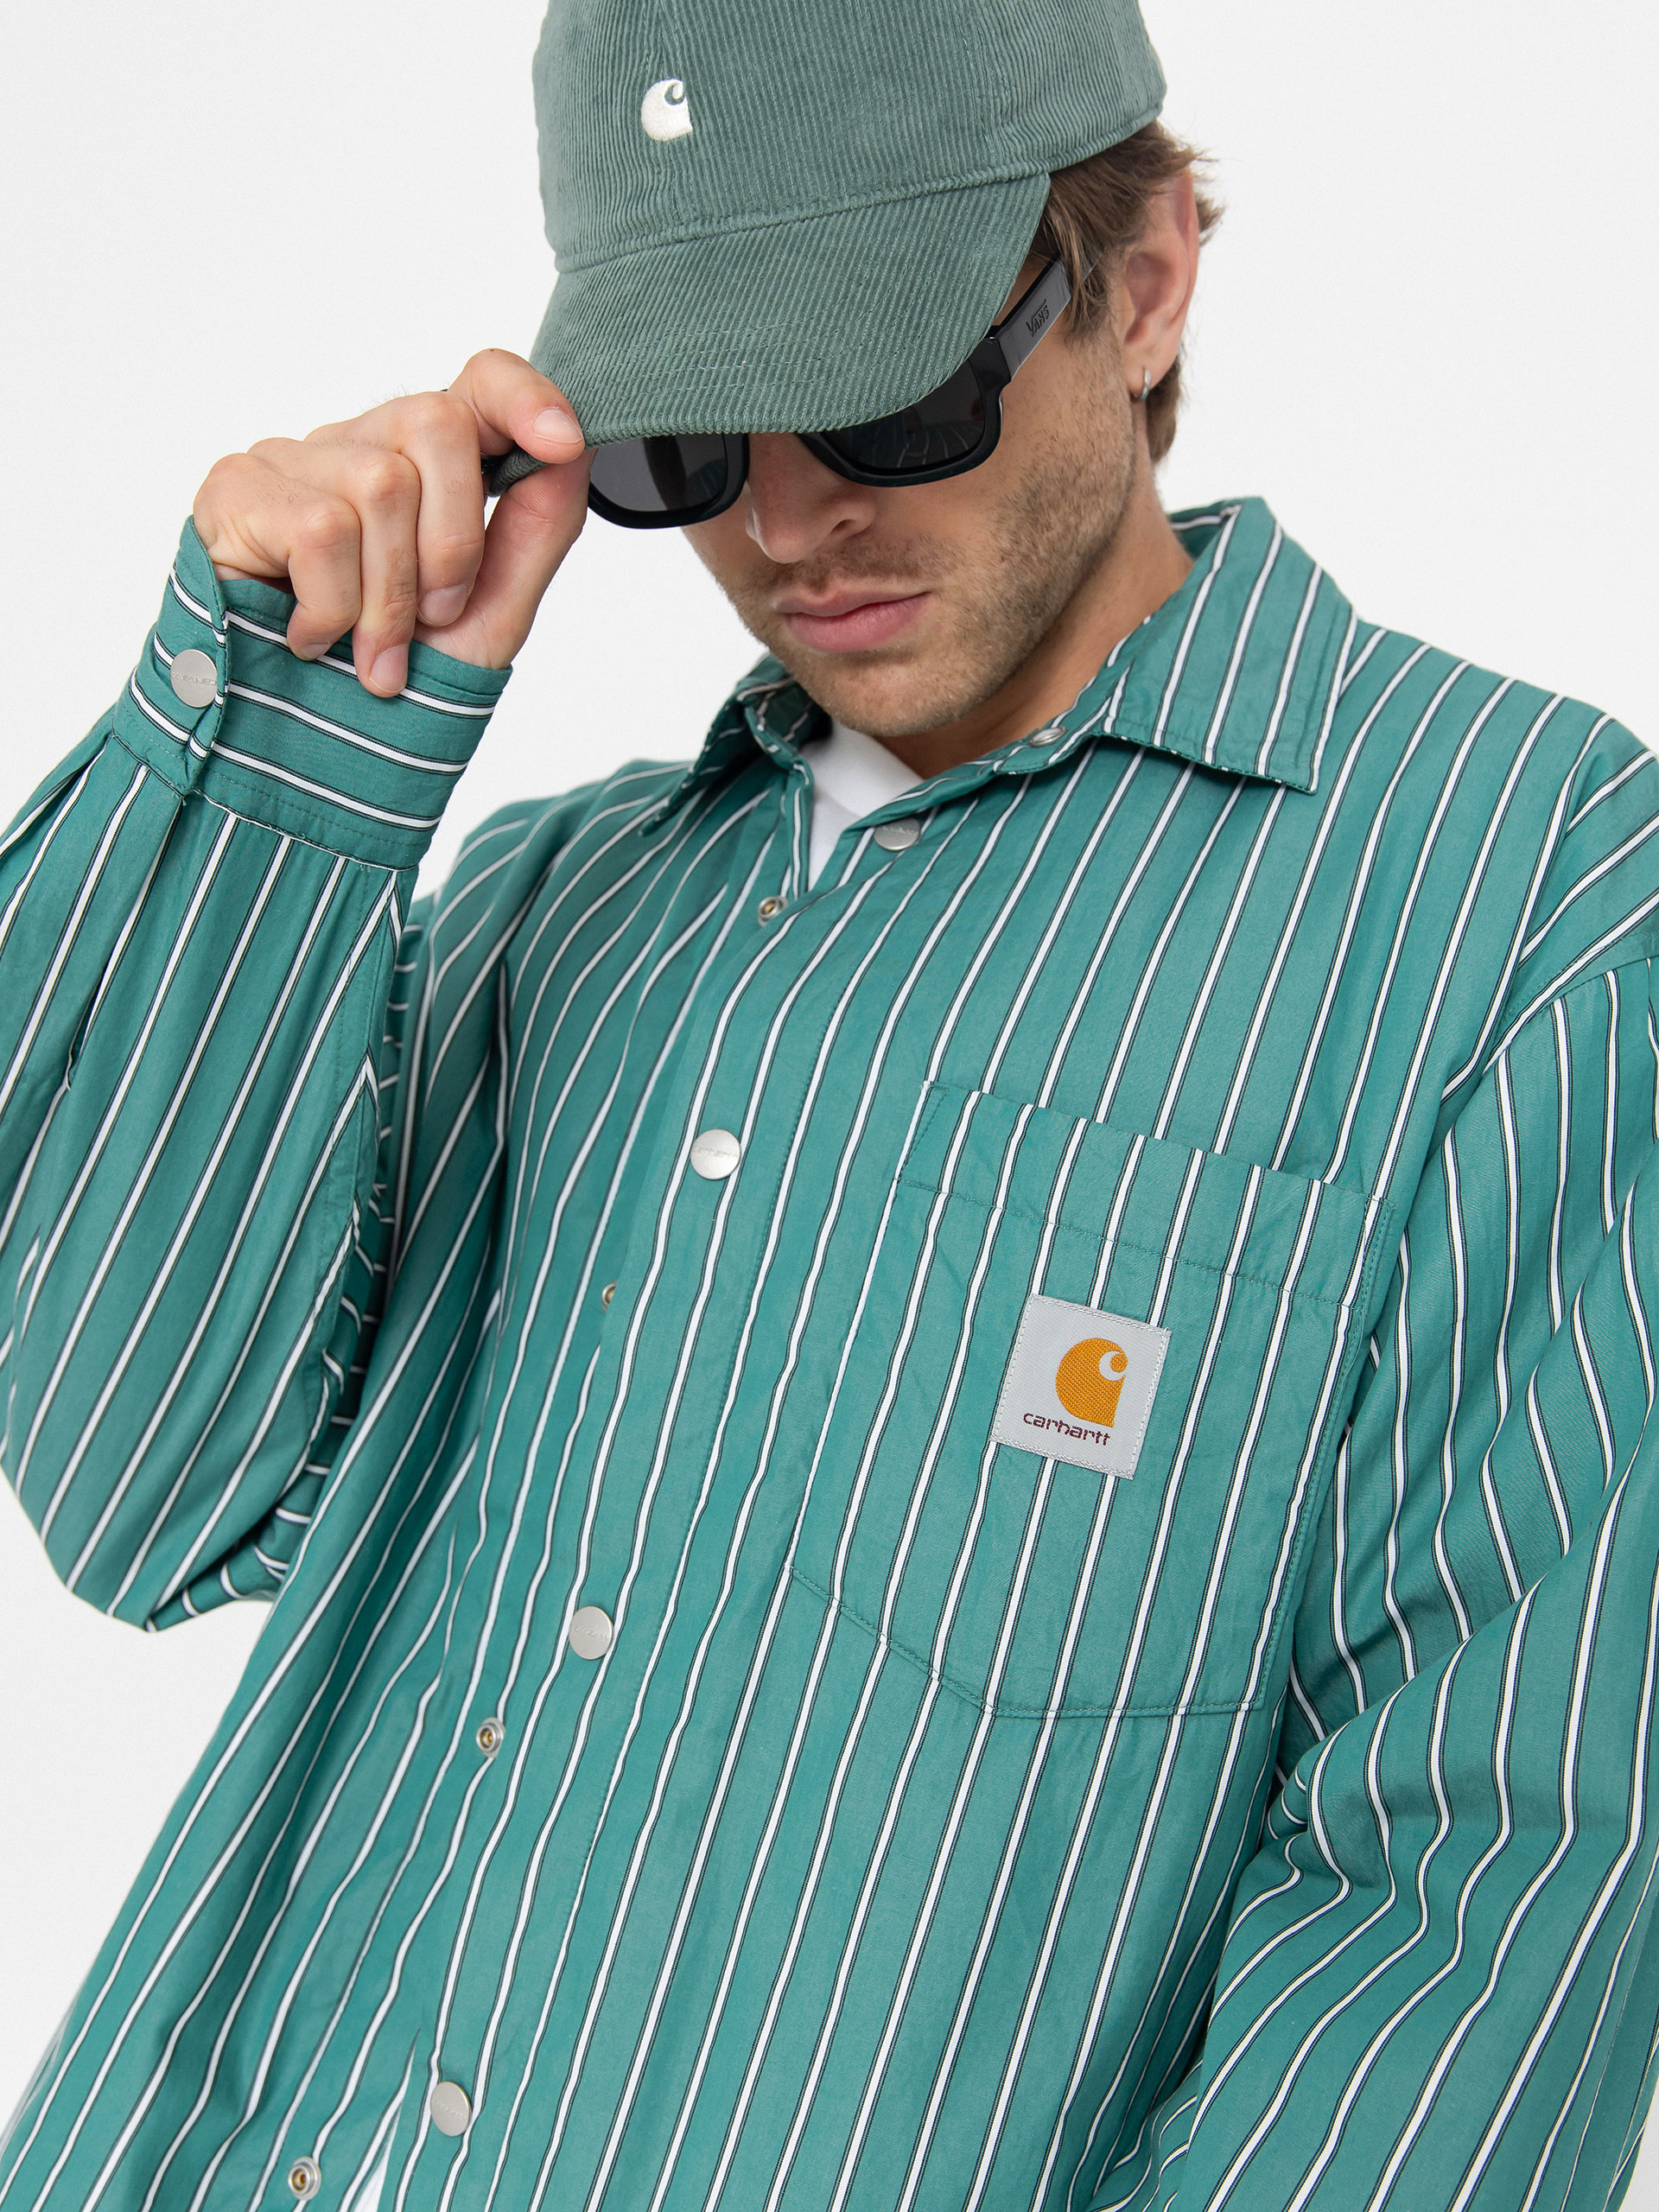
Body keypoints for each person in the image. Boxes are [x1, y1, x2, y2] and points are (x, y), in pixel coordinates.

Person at [2, 0, 1656, 2206]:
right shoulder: (552, 900)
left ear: (1145, 276)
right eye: (689, 438)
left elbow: (1485, 1896)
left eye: (887, 389)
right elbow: (147, 1495)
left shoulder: (1520, 891)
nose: (791, 517)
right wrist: (295, 766)